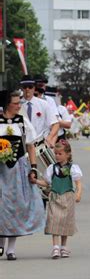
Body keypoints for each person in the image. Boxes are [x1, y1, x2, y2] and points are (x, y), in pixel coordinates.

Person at [0, 90, 45, 261]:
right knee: (2, 206)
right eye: (16, 103)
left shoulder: (22, 122)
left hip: (17, 168)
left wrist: (33, 168)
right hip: (1, 170)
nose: (19, 106)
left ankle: (11, 249)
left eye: (19, 103)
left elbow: (31, 146)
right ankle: (1, 243)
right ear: (6, 105)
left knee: (16, 206)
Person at [31, 140, 83, 259]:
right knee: (54, 220)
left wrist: (79, 193)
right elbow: (46, 182)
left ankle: (63, 247)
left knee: (65, 222)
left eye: (60, 154)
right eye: (56, 154)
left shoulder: (73, 168)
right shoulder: (51, 168)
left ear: (67, 154)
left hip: (68, 197)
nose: (57, 156)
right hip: (54, 197)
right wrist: (36, 181)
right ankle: (55, 247)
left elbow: (78, 183)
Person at [20, 75, 59, 147]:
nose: (27, 89)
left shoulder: (43, 104)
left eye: (30, 87)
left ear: (34, 88)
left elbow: (55, 124)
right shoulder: (16, 104)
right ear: (21, 88)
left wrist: (49, 138)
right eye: (25, 87)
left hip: (39, 144)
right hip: (22, 144)